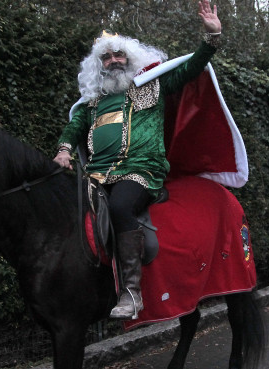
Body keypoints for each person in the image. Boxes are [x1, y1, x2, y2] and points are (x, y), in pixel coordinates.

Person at [53, 0, 223, 320]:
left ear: (130, 59)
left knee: (119, 207)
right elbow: (73, 128)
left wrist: (211, 39)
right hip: (97, 173)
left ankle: (132, 293)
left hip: (141, 169)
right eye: (107, 57)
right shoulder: (93, 102)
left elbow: (189, 69)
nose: (114, 60)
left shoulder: (154, 85)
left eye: (119, 55)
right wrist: (63, 151)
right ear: (99, 65)